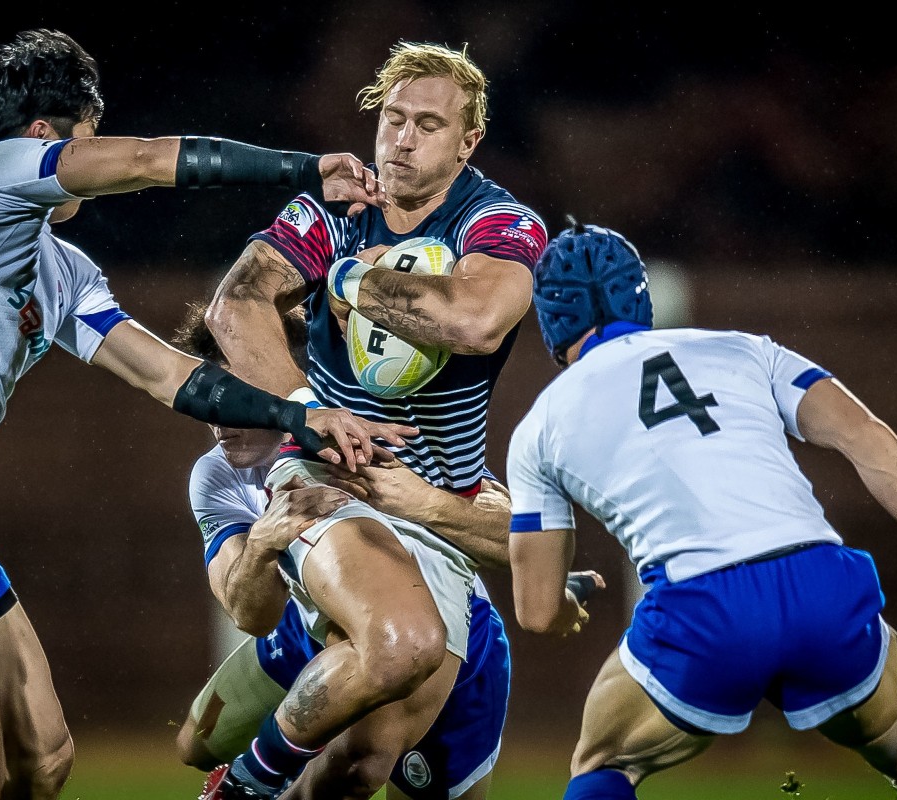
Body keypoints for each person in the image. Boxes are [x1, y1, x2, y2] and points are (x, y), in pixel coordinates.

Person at [0, 28, 411, 800]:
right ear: (44, 135)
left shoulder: (57, 268)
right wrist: (305, 169)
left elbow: (165, 374)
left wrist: (301, 419)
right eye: (87, 132)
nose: (96, 148)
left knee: (45, 757)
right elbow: (146, 161)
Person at [504, 219, 897, 800]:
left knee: (601, 763)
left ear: (550, 320)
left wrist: (566, 603)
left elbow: (538, 613)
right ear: (637, 295)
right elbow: (867, 439)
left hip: (704, 611)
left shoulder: (540, 426)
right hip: (819, 582)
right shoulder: (744, 350)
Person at [202, 40, 549, 799]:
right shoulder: (332, 206)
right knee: (399, 644)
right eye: (393, 118)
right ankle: (241, 787)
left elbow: (476, 321)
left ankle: (301, 678)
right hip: (333, 483)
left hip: (440, 520)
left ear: (469, 141)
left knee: (362, 764)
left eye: (428, 124)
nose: (402, 138)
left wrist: (353, 277)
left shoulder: (499, 223)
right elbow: (236, 302)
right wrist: (306, 412)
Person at [170, 302, 514, 800]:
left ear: (284, 383)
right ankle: (254, 774)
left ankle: (252, 783)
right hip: (302, 624)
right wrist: (264, 543)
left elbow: (519, 541)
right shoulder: (217, 474)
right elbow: (250, 614)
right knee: (196, 744)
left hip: (442, 626)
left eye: (236, 398)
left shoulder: (365, 430)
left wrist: (424, 503)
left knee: (359, 768)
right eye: (209, 400)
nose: (219, 417)